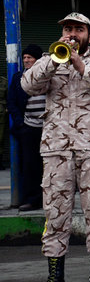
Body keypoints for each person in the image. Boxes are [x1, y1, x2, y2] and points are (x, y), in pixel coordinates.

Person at [21, 12, 90, 282]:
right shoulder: (49, 59)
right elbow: (27, 85)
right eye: (68, 29)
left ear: (89, 36)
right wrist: (54, 61)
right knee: (55, 214)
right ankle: (55, 277)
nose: (72, 34)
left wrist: (81, 66)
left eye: (78, 30)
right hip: (56, 150)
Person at [7, 44, 44, 211]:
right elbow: (12, 102)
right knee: (30, 165)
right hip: (28, 128)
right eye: (25, 57)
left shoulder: (47, 75)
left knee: (53, 166)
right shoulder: (18, 78)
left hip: (49, 128)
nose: (27, 60)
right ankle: (32, 200)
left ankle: (51, 199)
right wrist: (20, 124)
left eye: (30, 57)